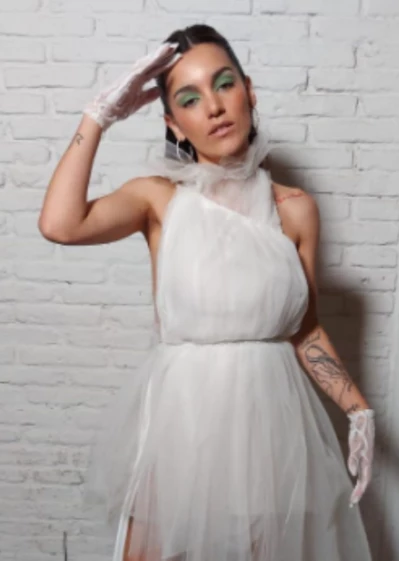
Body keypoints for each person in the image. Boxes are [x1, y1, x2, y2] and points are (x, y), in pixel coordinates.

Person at [39, 24, 376, 561]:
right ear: (173, 123)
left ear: (249, 91)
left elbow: (305, 329)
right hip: (182, 426)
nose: (214, 107)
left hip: (269, 430)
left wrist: (358, 410)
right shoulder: (158, 199)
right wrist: (98, 116)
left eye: (224, 85)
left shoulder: (295, 209)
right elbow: (60, 225)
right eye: (190, 99)